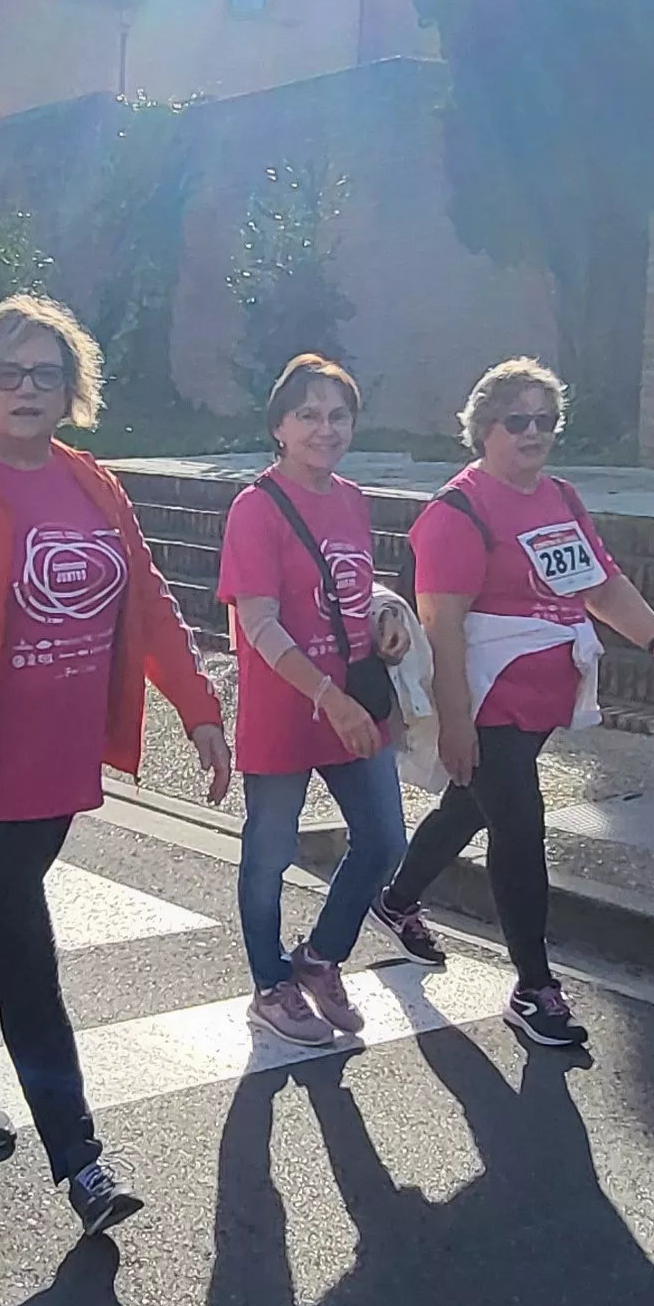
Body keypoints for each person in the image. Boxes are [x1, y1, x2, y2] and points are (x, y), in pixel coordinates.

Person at [0, 293, 229, 1240]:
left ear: (73, 391)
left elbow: (146, 604)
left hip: (60, 764)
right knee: (25, 946)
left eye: (47, 374)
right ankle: (82, 1160)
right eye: (7, 372)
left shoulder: (93, 485)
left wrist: (199, 711)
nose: (27, 389)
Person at [373, 358, 654, 1048]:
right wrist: (456, 723)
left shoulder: (560, 498)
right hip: (486, 698)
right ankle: (533, 987)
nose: (533, 433)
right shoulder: (455, 513)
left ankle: (397, 898)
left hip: (541, 697)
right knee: (519, 827)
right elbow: (443, 628)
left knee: (470, 804)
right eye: (516, 420)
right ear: (483, 428)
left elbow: (600, 584)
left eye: (545, 420)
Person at [220, 354, 407, 1049]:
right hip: (289, 707)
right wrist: (327, 696)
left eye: (337, 415)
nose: (323, 429)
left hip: (354, 695)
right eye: (308, 415)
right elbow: (259, 622)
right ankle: (271, 985)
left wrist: (384, 617)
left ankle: (320, 957)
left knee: (385, 840)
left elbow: (348, 586)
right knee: (269, 851)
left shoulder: (352, 499)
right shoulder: (256, 508)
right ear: (279, 426)